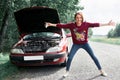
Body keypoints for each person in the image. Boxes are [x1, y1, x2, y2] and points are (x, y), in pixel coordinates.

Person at [45, 12, 115, 77]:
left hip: (85, 44)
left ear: (82, 18)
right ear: (75, 18)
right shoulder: (71, 25)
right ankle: (67, 72)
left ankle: (101, 71)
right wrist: (50, 24)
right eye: (77, 17)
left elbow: (96, 24)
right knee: (70, 58)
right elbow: (61, 25)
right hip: (76, 44)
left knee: (93, 56)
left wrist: (107, 24)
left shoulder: (86, 24)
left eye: (80, 17)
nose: (79, 19)